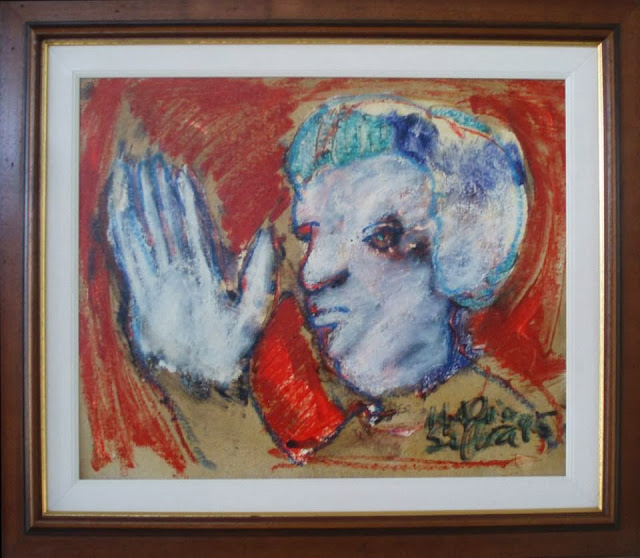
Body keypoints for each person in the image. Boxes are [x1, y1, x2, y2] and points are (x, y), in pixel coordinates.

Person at [104, 95, 564, 477]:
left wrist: (201, 390)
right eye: (311, 235)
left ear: (464, 255)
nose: (314, 274)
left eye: (379, 237)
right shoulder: (370, 434)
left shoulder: (508, 436)